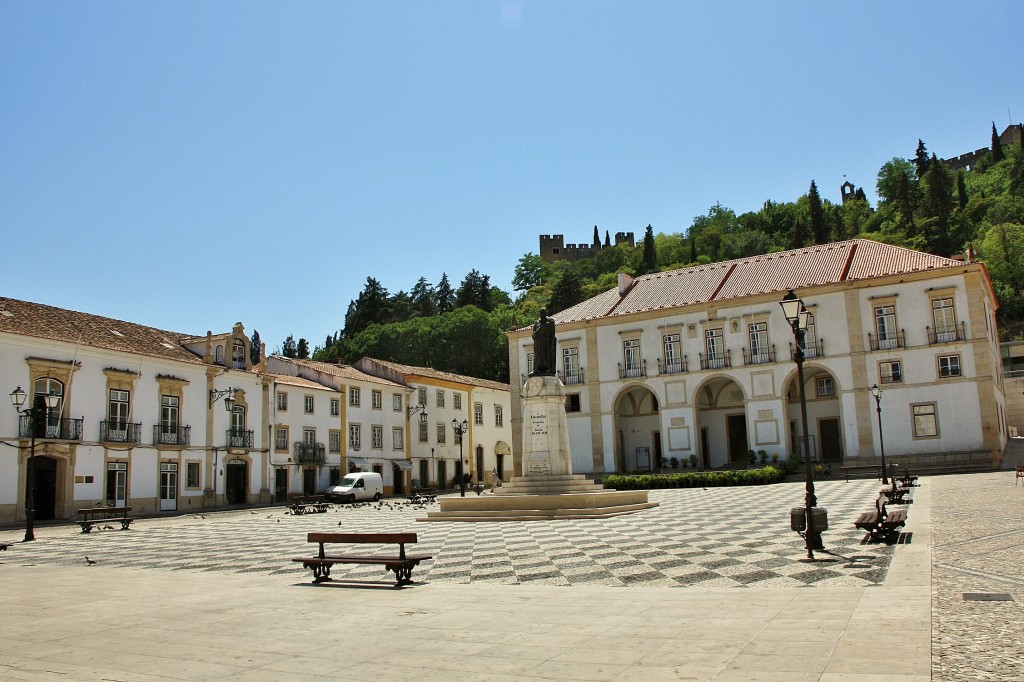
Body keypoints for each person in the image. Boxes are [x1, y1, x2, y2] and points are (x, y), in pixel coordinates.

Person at [530, 309, 556, 376]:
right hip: (538, 343)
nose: (542, 315)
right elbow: (533, 335)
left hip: (547, 342)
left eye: (543, 313)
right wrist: (539, 330)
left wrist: (552, 344)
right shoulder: (536, 323)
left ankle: (548, 369)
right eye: (541, 313)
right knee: (538, 357)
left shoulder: (550, 321)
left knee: (547, 356)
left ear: (546, 313)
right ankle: (536, 370)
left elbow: (553, 334)